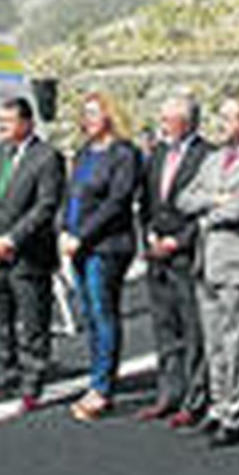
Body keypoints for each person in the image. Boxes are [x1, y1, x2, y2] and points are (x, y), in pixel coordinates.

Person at [176, 95, 239, 448]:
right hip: (207, 260)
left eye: (229, 118)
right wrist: (215, 199)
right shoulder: (213, 158)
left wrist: (211, 208)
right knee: (213, 340)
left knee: (234, 340)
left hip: (235, 260)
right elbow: (184, 197)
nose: (222, 125)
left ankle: (235, 412)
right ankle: (218, 406)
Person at [0, 97, 65, 411]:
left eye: (7, 121)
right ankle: (1, 377)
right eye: (0, 121)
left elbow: (46, 205)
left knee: (33, 321)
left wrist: (12, 239)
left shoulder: (47, 157)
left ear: (27, 123)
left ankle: (32, 382)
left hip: (27, 254)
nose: (1, 127)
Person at [59, 92, 141, 421]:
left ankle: (103, 388)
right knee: (89, 315)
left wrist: (82, 235)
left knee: (103, 311)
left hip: (106, 246)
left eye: (94, 112)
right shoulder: (82, 154)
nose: (88, 119)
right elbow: (71, 196)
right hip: (77, 244)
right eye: (85, 113)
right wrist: (64, 230)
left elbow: (117, 202)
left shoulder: (124, 154)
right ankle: (96, 376)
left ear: (110, 115)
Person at [135, 94, 214, 425]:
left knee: (193, 328)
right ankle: (169, 393)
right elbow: (147, 202)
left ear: (187, 121)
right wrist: (150, 236)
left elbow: (208, 208)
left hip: (187, 254)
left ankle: (196, 399)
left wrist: (178, 241)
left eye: (169, 119)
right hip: (157, 254)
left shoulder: (207, 156)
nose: (163, 125)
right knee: (165, 327)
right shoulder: (157, 154)